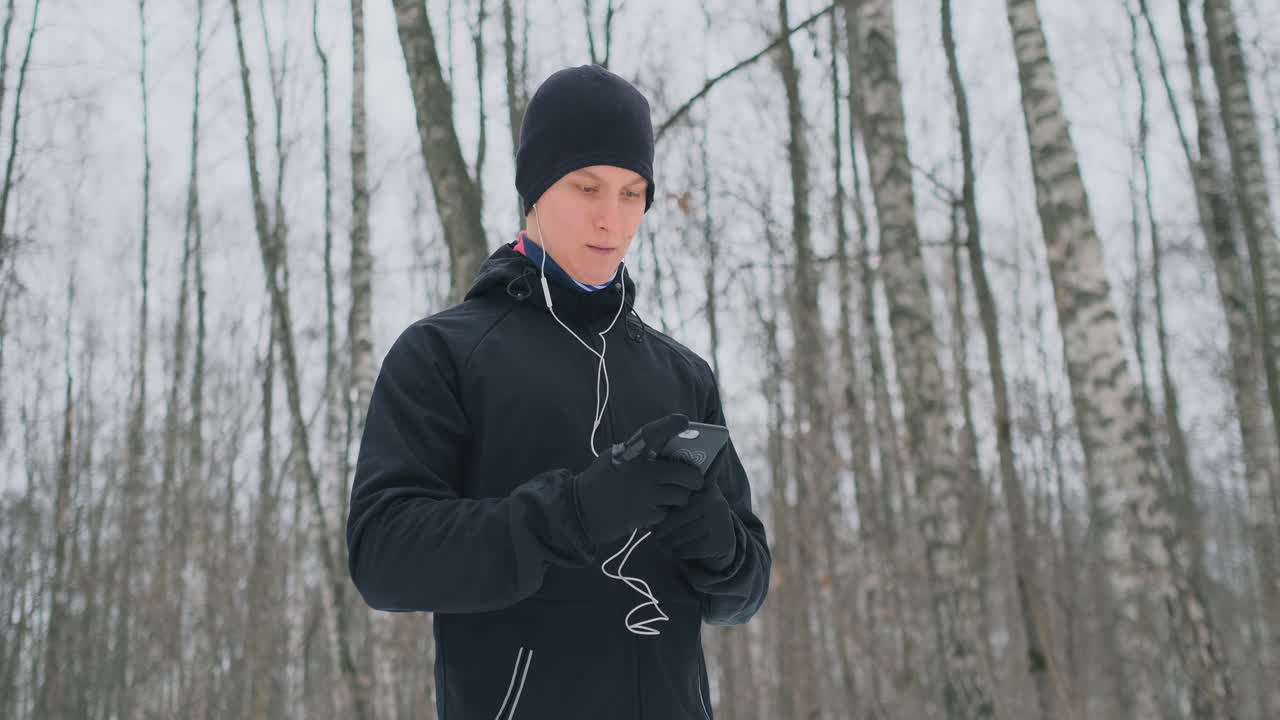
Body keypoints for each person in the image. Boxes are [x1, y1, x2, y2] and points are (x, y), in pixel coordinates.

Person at [346, 64, 770, 720]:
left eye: (633, 194)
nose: (613, 218)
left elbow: (743, 591)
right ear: (536, 187)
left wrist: (712, 535)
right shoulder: (445, 355)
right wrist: (570, 513)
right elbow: (383, 556)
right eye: (587, 187)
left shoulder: (683, 376)